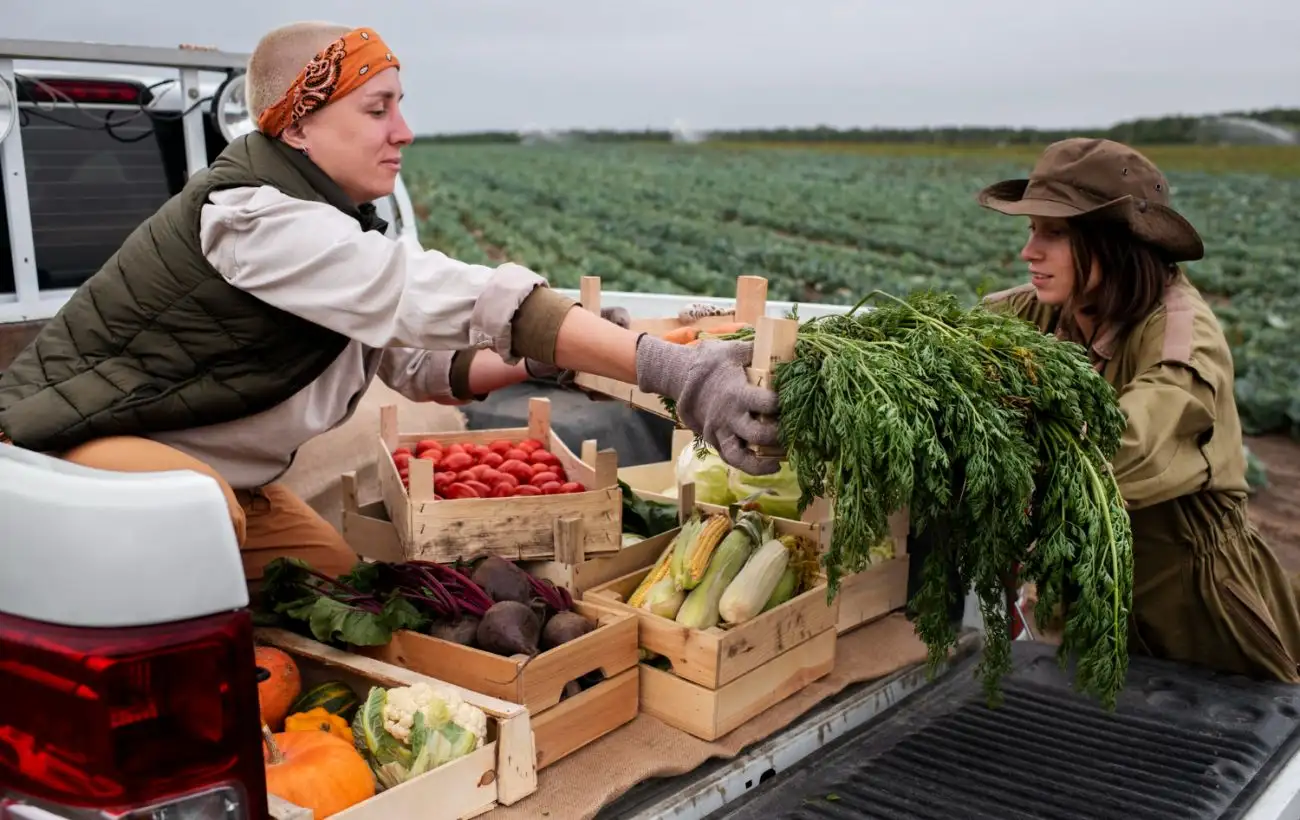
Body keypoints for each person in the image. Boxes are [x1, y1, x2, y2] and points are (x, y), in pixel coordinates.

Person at [0, 21, 781, 582]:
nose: (404, 131)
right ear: (300, 126)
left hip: (224, 477)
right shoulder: (251, 220)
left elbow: (408, 362)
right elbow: (421, 290)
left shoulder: (327, 222)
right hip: (75, 455)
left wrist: (546, 358)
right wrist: (671, 372)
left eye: (400, 105)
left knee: (342, 590)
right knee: (194, 520)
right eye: (377, 110)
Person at [977, 137, 1300, 682]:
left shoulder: (1182, 337)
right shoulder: (1044, 308)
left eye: (1054, 233)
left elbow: (1124, 447)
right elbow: (949, 352)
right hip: (1085, 602)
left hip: (1196, 618)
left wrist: (984, 451)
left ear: (1114, 242)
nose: (1029, 252)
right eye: (1031, 229)